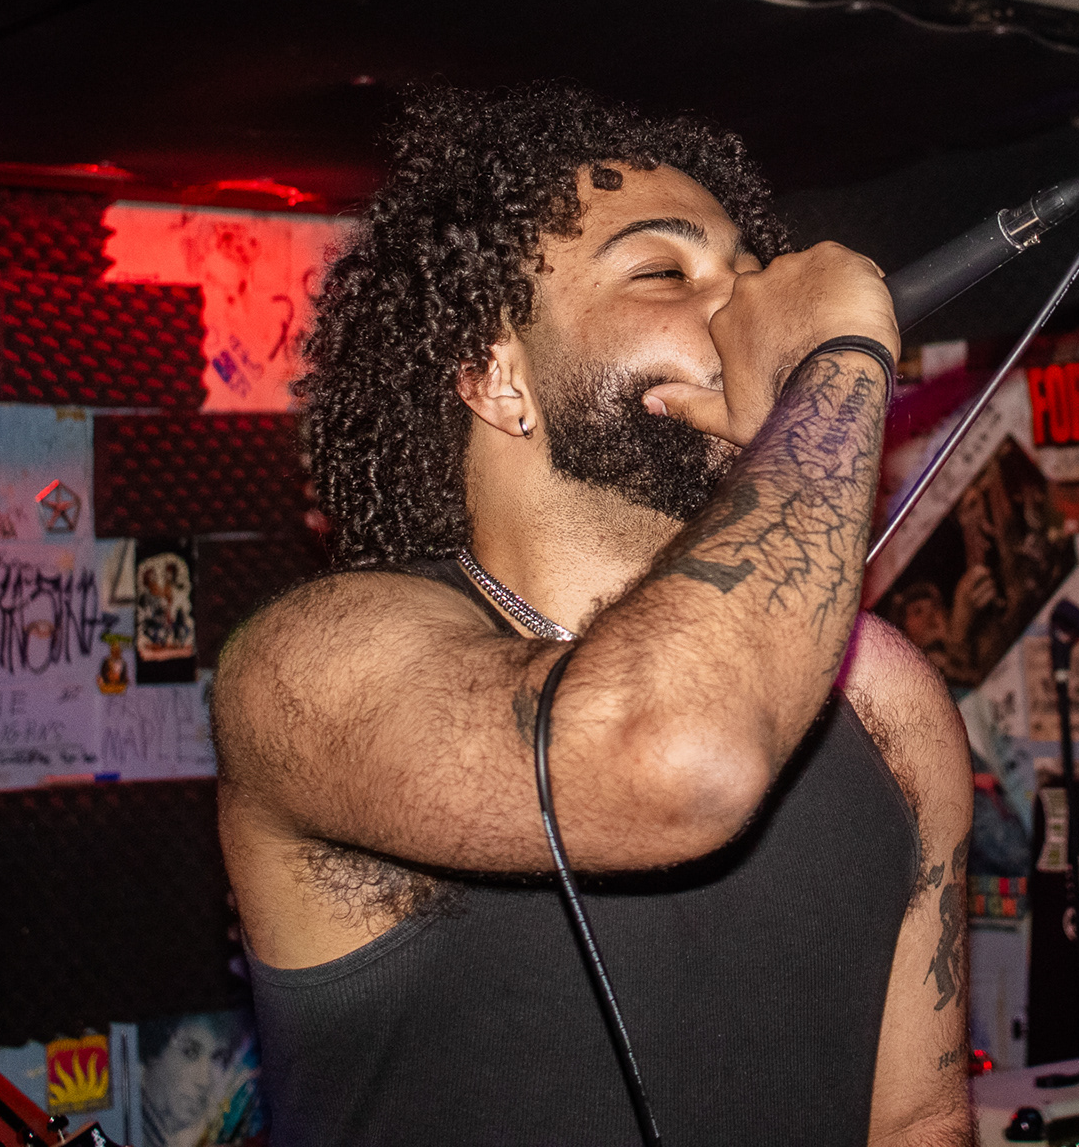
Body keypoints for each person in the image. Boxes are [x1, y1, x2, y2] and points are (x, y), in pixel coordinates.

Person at [212, 85, 973, 1146]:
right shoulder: (310, 663)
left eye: (749, 272)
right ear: (495, 374)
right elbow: (674, 755)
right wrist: (839, 364)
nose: (745, 308)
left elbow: (920, 1119)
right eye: (665, 272)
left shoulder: (886, 692)